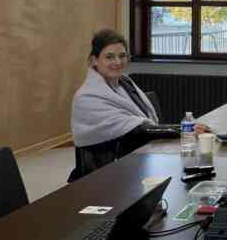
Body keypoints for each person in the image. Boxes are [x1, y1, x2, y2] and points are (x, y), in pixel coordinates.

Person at [70, 28, 209, 179]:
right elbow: (136, 129)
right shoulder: (87, 98)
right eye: (109, 57)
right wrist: (184, 129)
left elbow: (143, 123)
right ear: (94, 60)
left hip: (135, 161)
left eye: (122, 56)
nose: (117, 62)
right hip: (104, 175)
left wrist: (186, 129)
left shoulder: (125, 83)